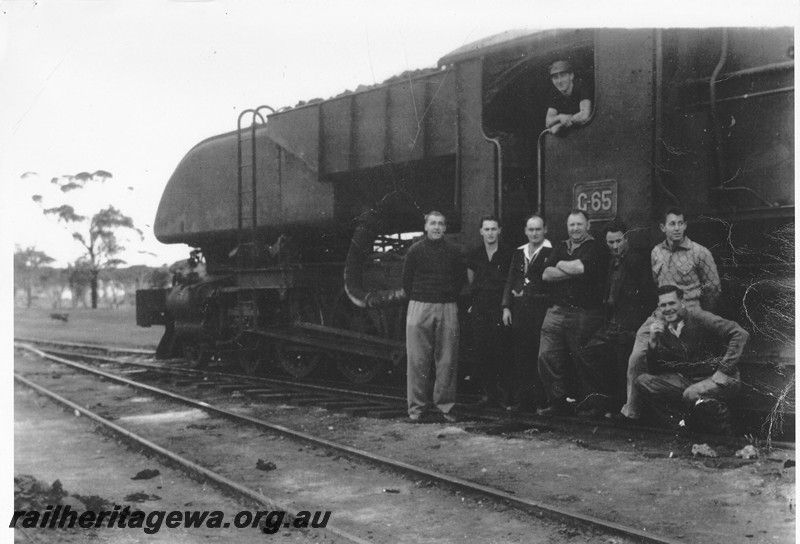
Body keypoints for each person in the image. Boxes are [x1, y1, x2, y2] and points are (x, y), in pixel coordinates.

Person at [619, 207, 722, 422]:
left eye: (680, 223)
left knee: (681, 363)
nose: (677, 228)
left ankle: (685, 416)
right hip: (661, 311)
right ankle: (632, 411)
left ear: (685, 225)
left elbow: (713, 288)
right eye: (672, 224)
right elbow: (658, 286)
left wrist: (700, 315)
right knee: (637, 357)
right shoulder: (656, 252)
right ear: (662, 227)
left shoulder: (700, 253)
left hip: (690, 310)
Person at [634, 285, 748, 435]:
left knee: (691, 394)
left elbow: (740, 334)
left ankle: (725, 433)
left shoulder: (699, 317)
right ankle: (681, 428)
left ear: (682, 302)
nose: (668, 309)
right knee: (643, 381)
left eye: (672, 303)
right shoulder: (663, 328)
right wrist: (653, 343)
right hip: (690, 381)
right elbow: (657, 370)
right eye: (663, 305)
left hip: (722, 379)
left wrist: (723, 369)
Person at [575, 221, 655, 417]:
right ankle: (603, 402)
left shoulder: (636, 261)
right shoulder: (612, 260)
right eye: (610, 242)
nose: (615, 246)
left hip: (629, 327)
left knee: (622, 364)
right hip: (612, 325)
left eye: (619, 241)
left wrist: (635, 329)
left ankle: (621, 408)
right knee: (587, 353)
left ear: (626, 239)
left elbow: (648, 298)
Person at [537, 209, 609, 416]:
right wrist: (567, 269)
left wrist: (559, 264)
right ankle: (557, 401)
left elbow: (579, 268)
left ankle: (595, 405)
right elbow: (546, 274)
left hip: (584, 312)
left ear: (588, 225)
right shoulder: (561, 246)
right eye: (571, 225)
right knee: (546, 356)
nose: (575, 229)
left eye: (579, 224)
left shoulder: (596, 247)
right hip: (556, 311)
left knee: (584, 358)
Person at [402, 211, 467, 423]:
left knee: (447, 359)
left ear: (445, 228)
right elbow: (406, 281)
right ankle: (416, 409)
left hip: (447, 306)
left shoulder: (454, 252)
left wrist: (446, 297)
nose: (437, 227)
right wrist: (422, 298)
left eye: (440, 223)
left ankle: (445, 406)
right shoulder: (414, 251)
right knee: (417, 360)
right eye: (433, 223)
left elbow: (460, 280)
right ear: (426, 227)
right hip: (419, 306)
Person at [501, 215, 553, 411]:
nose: (534, 233)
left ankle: (541, 400)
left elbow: (550, 282)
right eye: (530, 230)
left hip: (540, 311)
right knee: (521, 355)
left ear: (544, 230)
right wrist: (506, 306)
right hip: (519, 311)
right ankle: (524, 400)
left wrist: (530, 293)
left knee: (538, 354)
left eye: (538, 229)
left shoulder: (551, 251)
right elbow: (510, 279)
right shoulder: (518, 252)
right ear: (525, 231)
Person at [466, 215, 514, 407]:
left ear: (499, 230)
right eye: (487, 229)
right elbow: (471, 280)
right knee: (482, 350)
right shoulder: (475, 254)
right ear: (481, 231)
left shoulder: (508, 253)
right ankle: (487, 394)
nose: (490, 233)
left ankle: (504, 396)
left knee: (501, 350)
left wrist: (506, 306)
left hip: (500, 308)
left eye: (494, 229)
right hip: (480, 308)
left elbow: (510, 281)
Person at [545, 60, 592, 135]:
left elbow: (584, 115)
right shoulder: (555, 93)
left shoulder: (580, 86)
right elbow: (548, 122)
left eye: (563, 75)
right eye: (555, 77)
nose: (559, 81)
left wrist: (560, 125)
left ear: (571, 76)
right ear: (552, 80)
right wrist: (560, 117)